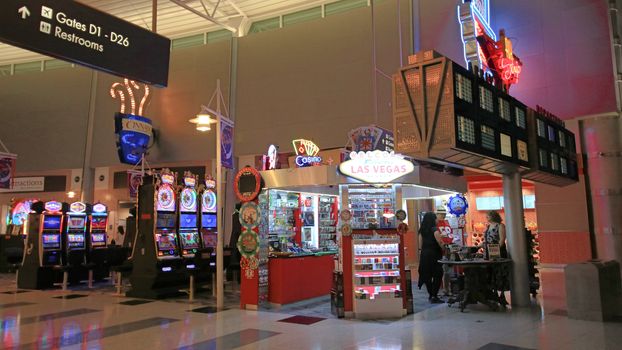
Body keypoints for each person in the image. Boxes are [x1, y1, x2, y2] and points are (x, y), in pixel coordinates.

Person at [418, 212, 444, 303]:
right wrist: (445, 248)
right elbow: (440, 243)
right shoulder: (435, 230)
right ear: (432, 220)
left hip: (425, 254)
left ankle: (431, 294)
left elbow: (420, 245)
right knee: (438, 274)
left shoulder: (422, 231)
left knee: (427, 275)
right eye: (435, 218)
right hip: (434, 254)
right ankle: (434, 295)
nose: (437, 220)